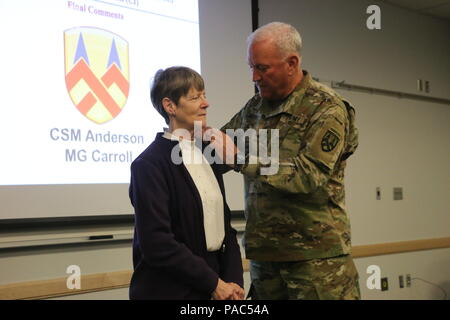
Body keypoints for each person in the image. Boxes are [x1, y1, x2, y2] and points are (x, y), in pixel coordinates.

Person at [217, 22, 360, 299]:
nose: (254, 77)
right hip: (266, 258)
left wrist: (241, 160)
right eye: (251, 67)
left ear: (292, 63)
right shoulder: (254, 108)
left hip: (316, 262)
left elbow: (308, 176)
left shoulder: (326, 107)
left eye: (262, 68)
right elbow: (219, 149)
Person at [129, 66, 244, 300]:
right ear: (170, 106)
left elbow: (225, 228)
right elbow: (157, 244)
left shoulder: (208, 155)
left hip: (217, 288)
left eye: (204, 95)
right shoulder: (149, 164)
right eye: (195, 97)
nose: (205, 103)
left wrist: (233, 282)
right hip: (172, 290)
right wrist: (214, 284)